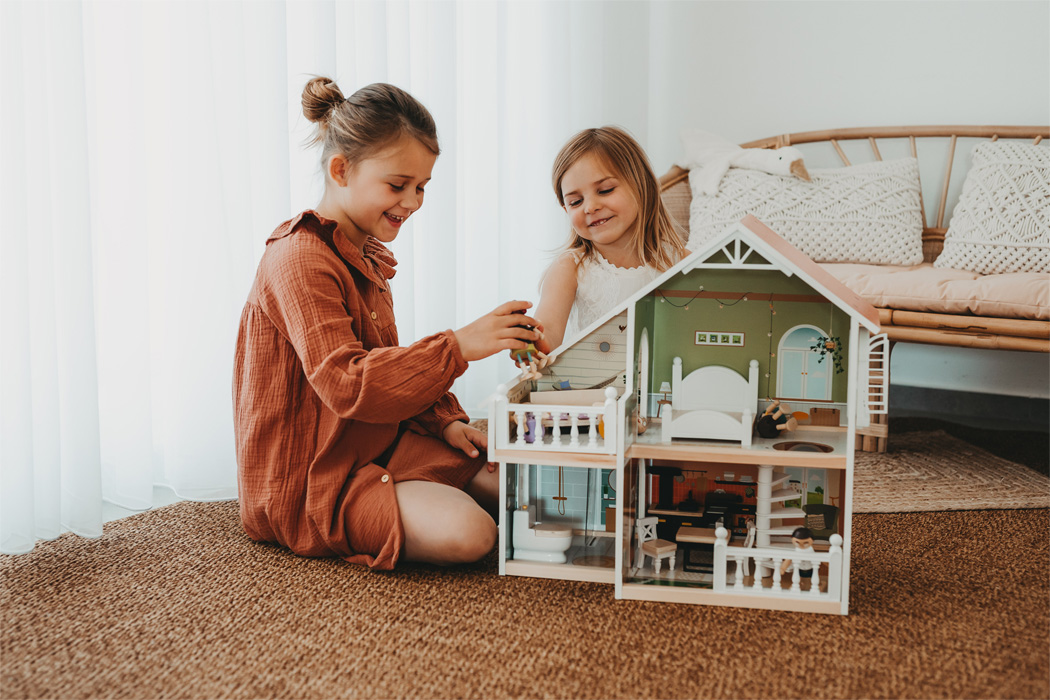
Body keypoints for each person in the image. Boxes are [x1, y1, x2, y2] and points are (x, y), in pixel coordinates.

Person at [233, 78, 544, 570]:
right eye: (398, 185)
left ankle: (414, 480)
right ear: (341, 170)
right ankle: (402, 493)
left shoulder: (364, 255)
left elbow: (385, 364)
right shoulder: (297, 259)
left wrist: (445, 421)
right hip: (315, 479)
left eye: (421, 186)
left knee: (522, 484)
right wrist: (458, 346)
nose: (414, 201)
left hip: (377, 443)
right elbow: (348, 381)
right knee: (473, 533)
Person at [520, 126, 688, 363]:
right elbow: (548, 332)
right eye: (576, 202)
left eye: (605, 190)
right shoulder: (570, 267)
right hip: (592, 394)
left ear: (642, 186)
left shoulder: (682, 261)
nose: (590, 207)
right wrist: (532, 344)